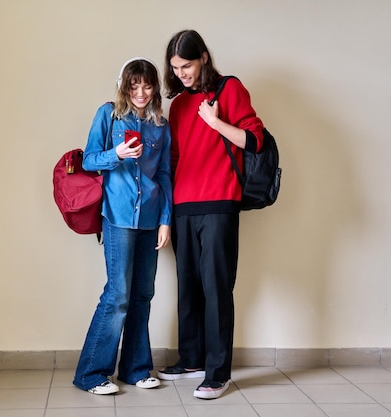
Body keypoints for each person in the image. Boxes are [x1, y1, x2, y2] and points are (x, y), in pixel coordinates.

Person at [157, 30, 266, 400]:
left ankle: (217, 373)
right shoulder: (178, 105)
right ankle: (192, 360)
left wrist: (216, 122)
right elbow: (173, 162)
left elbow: (256, 140)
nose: (182, 73)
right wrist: (167, 213)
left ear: (203, 57)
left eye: (186, 65)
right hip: (184, 205)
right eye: (175, 68)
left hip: (220, 202)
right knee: (188, 286)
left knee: (216, 288)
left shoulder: (229, 89)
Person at [72, 57, 173, 395]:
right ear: (124, 86)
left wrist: (165, 221)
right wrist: (116, 152)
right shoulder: (108, 115)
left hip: (150, 217)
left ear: (154, 88)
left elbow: (163, 176)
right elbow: (88, 159)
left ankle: (136, 369)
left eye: (147, 85)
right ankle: (91, 374)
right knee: (118, 295)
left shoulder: (161, 125)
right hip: (117, 217)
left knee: (143, 294)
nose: (141, 92)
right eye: (134, 85)